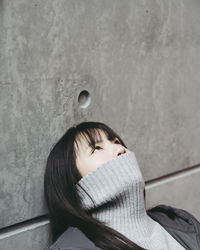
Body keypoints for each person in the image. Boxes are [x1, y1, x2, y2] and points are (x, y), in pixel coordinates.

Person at [44, 121, 200, 250]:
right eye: (96, 149)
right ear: (74, 183)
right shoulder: (71, 248)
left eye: (116, 142)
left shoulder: (181, 222)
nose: (120, 149)